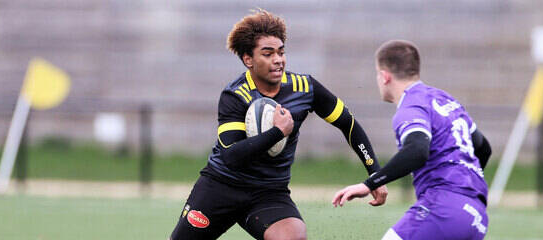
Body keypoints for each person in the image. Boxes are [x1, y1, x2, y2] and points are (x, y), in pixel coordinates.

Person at [170, 9, 388, 240]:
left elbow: (349, 124)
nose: (278, 59)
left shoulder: (305, 88)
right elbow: (232, 156)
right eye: (268, 53)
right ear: (248, 60)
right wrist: (277, 132)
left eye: (281, 52)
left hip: (269, 192)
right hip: (221, 188)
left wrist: (375, 173)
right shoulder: (235, 95)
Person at [331, 40, 492, 240]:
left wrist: (368, 184)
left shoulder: (411, 107)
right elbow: (483, 148)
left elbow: (417, 150)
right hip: (475, 214)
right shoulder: (445, 99)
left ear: (384, 76)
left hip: (443, 209)